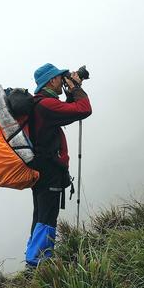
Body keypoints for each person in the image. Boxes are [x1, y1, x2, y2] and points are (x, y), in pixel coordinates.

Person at [25, 63, 92, 266]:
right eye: (59, 77)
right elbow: (84, 109)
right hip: (49, 170)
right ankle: (39, 264)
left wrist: (72, 91)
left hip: (40, 168)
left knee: (40, 214)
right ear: (51, 80)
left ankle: (33, 259)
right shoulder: (46, 105)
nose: (61, 80)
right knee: (47, 216)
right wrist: (76, 88)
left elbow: (67, 112)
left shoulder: (41, 104)